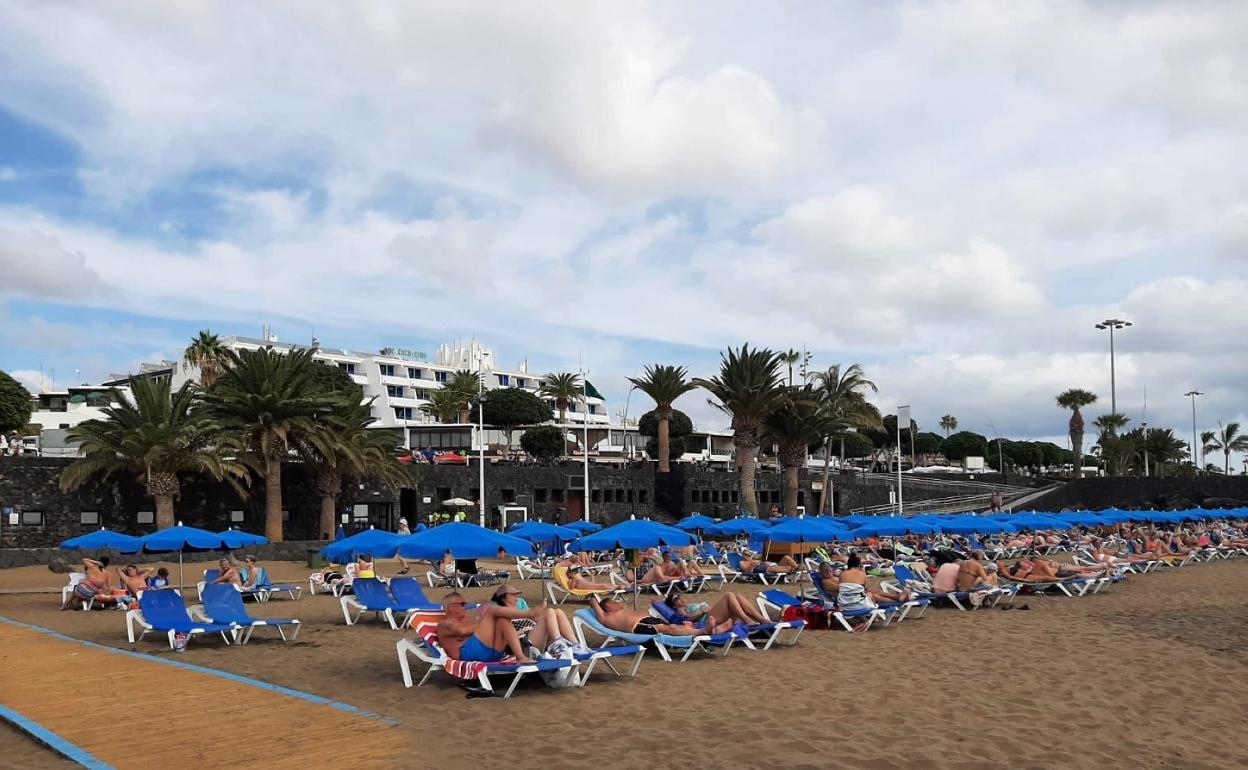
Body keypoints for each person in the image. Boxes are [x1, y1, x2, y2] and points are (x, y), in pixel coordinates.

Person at [437, 592, 558, 664]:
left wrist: (483, 624)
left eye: (466, 604)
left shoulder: (466, 621)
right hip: (467, 655)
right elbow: (463, 632)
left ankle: (520, 657)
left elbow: (473, 632)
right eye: (462, 604)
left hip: (490, 653)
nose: (465, 607)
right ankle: (530, 613)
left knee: (502, 620)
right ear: (448, 607)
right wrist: (484, 622)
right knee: (491, 611)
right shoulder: (444, 624)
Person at [490, 584, 586, 653]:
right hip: (524, 644)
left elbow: (534, 619)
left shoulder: (520, 604)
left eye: (516, 594)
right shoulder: (500, 611)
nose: (516, 597)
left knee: (558, 612)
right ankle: (557, 641)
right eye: (513, 594)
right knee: (549, 612)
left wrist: (538, 616)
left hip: (536, 636)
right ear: (503, 597)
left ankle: (576, 644)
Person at [588, 595, 707, 637]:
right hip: (638, 625)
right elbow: (592, 599)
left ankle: (690, 628)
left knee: (672, 626)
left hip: (648, 620)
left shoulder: (621, 610)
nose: (616, 603)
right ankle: (702, 631)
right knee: (670, 629)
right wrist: (598, 603)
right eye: (612, 602)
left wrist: (617, 604)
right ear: (607, 607)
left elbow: (623, 604)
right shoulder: (606, 617)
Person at [662, 590, 765, 629]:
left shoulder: (688, 606)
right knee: (729, 595)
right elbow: (687, 619)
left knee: (739, 597)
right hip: (707, 621)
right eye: (676, 598)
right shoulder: (680, 610)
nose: (680, 598)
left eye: (679, 595)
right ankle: (747, 620)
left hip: (713, 616)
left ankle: (761, 619)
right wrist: (702, 611)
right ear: (674, 606)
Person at [838, 554, 910, 609]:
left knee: (873, 592)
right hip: (857, 603)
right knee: (873, 594)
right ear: (859, 565)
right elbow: (867, 589)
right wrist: (863, 571)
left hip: (843, 602)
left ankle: (897, 597)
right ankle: (896, 600)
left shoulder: (842, 574)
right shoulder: (861, 574)